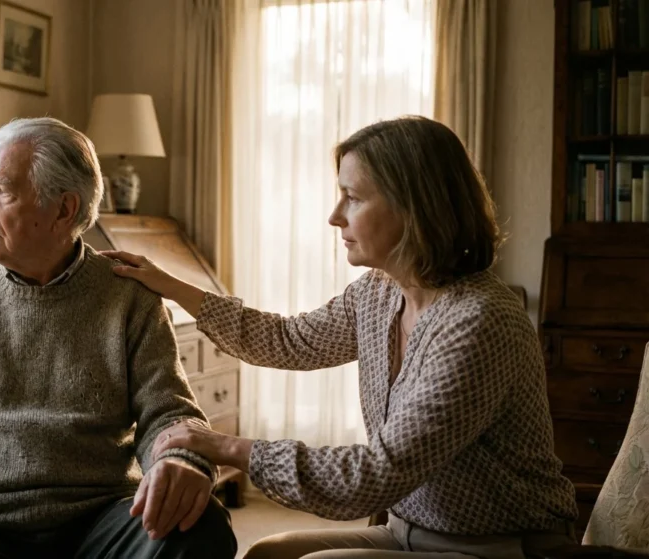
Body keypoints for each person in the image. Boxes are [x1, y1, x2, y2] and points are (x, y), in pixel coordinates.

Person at [103, 115, 579, 559]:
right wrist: (171, 285)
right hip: (405, 531)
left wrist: (224, 447)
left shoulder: (478, 322)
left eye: (353, 197)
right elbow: (286, 341)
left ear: (416, 207)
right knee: (267, 554)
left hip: (505, 546)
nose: (335, 216)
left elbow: (371, 477)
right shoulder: (377, 293)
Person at [0, 117, 237, 559]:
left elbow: (169, 412)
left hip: (101, 520)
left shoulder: (129, 298)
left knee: (199, 525)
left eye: (3, 191)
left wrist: (178, 461)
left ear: (63, 210)